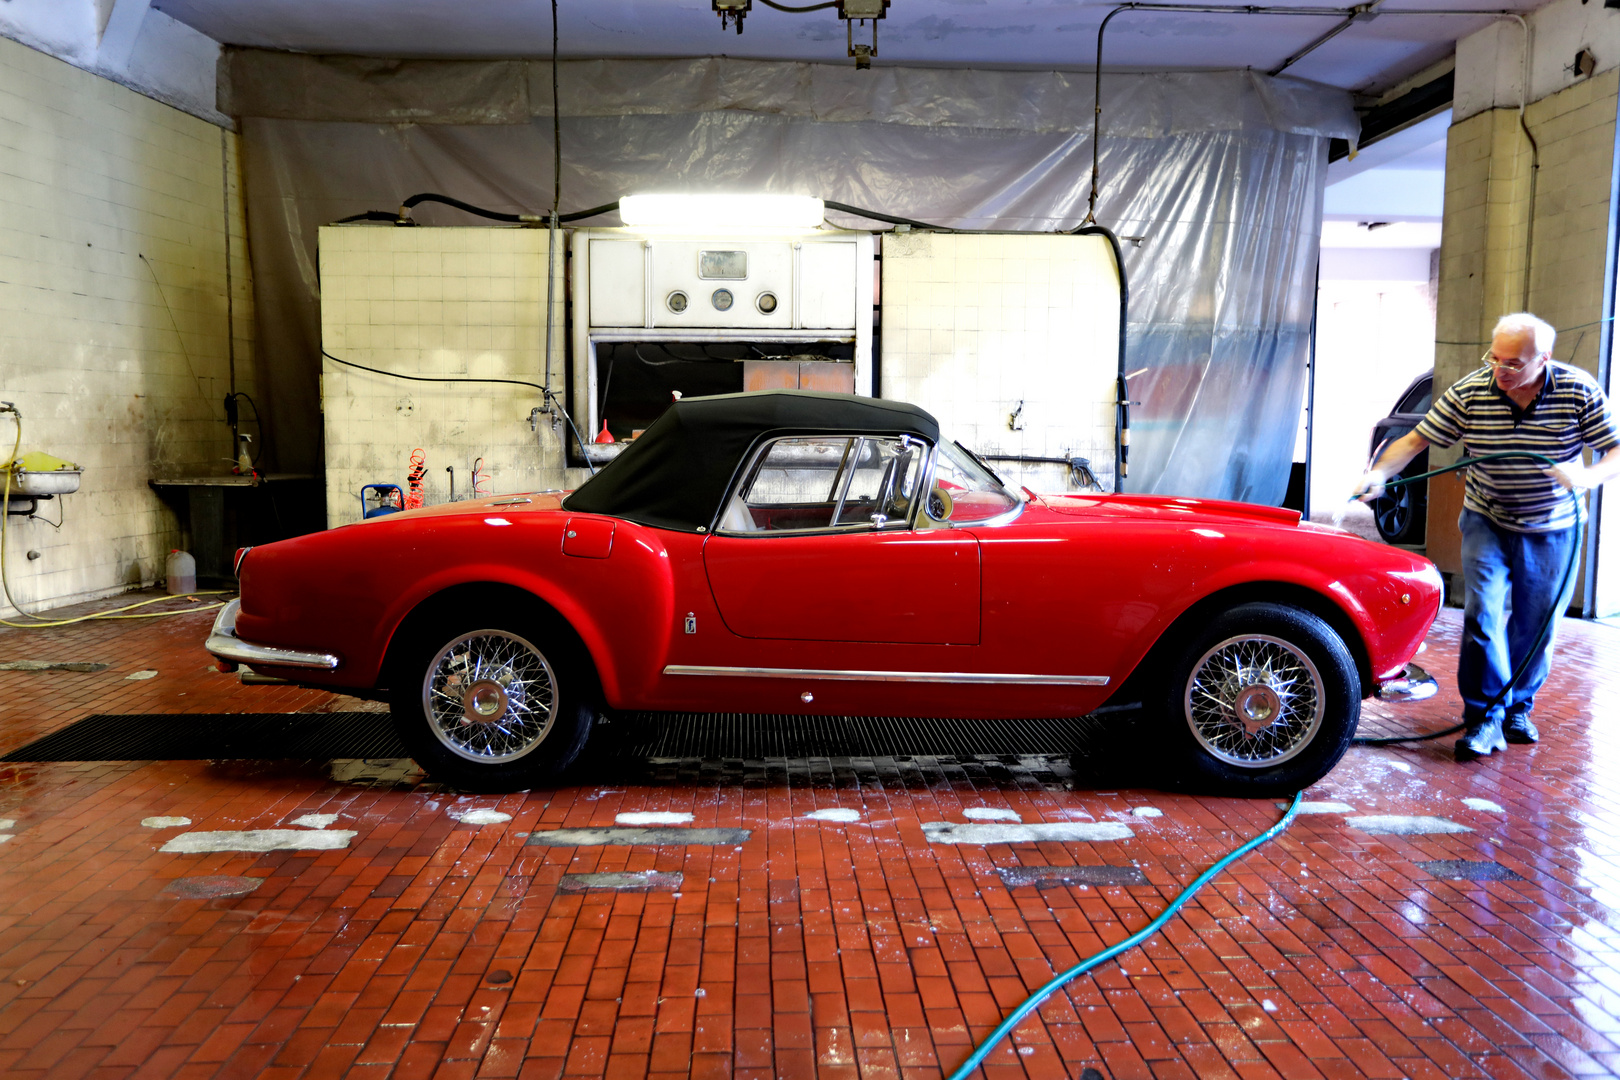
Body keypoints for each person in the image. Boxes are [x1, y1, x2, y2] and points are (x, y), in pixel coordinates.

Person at [1356, 312, 1620, 761]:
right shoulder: (1473, 392)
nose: (1501, 370)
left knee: (1535, 626)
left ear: (1544, 360)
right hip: (1487, 518)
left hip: (1553, 526)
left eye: (1514, 363)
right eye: (1495, 358)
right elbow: (1415, 439)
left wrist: (1587, 474)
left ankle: (1517, 707)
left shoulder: (1578, 391)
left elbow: (1615, 451)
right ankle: (1484, 719)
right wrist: (1379, 472)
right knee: (1481, 615)